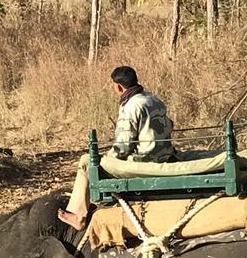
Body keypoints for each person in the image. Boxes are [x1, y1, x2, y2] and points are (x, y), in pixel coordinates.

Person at [58, 66, 175, 230]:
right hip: (164, 156)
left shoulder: (131, 106)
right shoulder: (154, 99)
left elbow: (122, 147)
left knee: (86, 162)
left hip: (143, 163)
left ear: (118, 86)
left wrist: (106, 159)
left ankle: (78, 215)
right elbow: (169, 125)